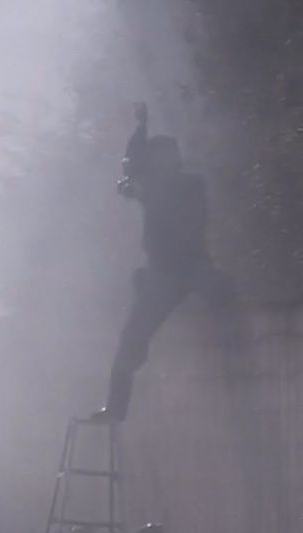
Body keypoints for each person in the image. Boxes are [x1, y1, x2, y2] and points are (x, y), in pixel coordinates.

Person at [95, 103, 231, 424]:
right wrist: (141, 128)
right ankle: (116, 408)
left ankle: (232, 343)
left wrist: (138, 182)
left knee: (222, 295)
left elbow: (134, 174)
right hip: (164, 272)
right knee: (131, 337)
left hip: (189, 266)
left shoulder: (187, 184)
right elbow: (131, 167)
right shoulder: (154, 185)